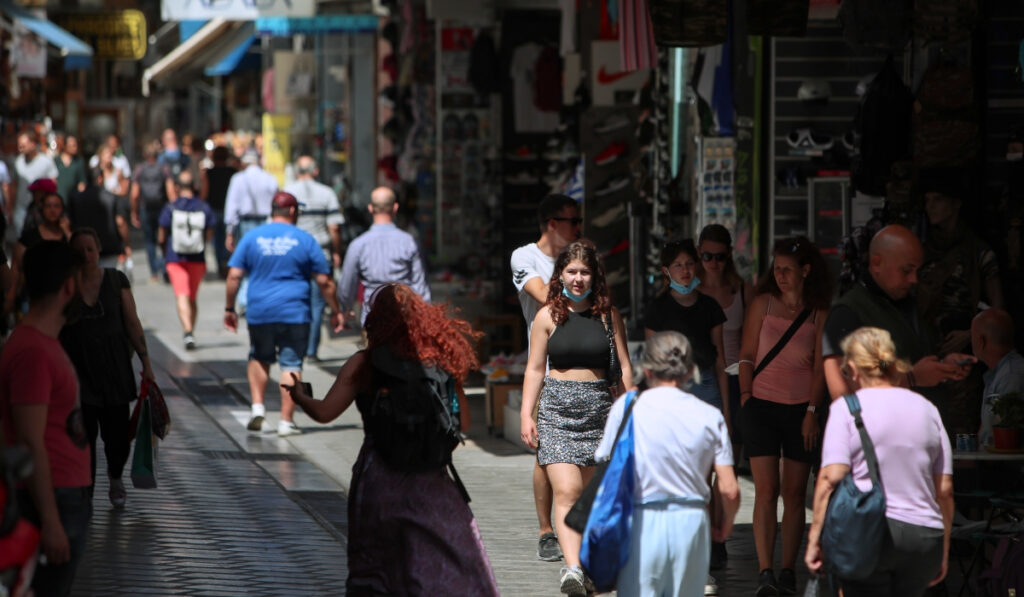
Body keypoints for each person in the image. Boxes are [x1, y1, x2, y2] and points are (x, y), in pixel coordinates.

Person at [284, 283, 499, 595]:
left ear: (376, 322)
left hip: (378, 478)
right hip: (431, 481)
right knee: (438, 562)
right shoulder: (440, 363)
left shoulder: (364, 363)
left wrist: (301, 397)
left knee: (376, 566)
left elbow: (324, 413)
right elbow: (463, 422)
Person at [518, 240, 633, 596]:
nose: (578, 279)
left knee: (588, 496)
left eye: (584, 272)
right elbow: (535, 369)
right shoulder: (546, 317)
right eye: (571, 271)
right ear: (560, 275)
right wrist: (526, 414)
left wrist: (631, 411)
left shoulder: (608, 316)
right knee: (566, 490)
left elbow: (625, 367)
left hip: (599, 411)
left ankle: (586, 561)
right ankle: (572, 569)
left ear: (594, 275)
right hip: (557, 410)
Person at [806, 327, 954, 597]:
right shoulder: (928, 409)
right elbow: (944, 490)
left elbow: (829, 478)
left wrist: (815, 538)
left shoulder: (845, 409)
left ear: (852, 368)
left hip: (869, 535)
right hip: (923, 539)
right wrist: (943, 550)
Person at [597, 331, 740, 597]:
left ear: (647, 369)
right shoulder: (710, 416)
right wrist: (725, 525)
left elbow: (605, 467)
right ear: (689, 372)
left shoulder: (627, 408)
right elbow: (730, 489)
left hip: (640, 520)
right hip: (692, 521)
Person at [736, 236, 830, 597]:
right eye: (776, 269)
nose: (780, 275)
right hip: (760, 406)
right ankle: (765, 571)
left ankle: (788, 569)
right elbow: (746, 354)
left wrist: (811, 411)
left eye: (787, 269)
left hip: (800, 410)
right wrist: (746, 397)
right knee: (766, 490)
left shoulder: (819, 309)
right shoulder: (762, 303)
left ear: (806, 271)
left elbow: (821, 366)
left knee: (793, 493)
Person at [0, 241, 91, 596]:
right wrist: (51, 522)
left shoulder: (40, 344)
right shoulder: (33, 351)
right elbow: (29, 440)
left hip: (64, 495)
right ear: (69, 285)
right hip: (52, 499)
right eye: (83, 280)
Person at [642, 238, 730, 595]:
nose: (686, 270)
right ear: (666, 271)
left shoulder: (709, 306)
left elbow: (721, 357)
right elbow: (651, 358)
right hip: (669, 391)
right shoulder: (657, 308)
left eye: (689, 264)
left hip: (706, 385)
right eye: (678, 265)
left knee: (706, 475)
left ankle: (709, 545)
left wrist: (725, 404)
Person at [224, 191, 343, 436]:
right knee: (291, 363)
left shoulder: (252, 237)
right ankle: (286, 422)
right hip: (295, 312)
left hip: (260, 311)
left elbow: (234, 275)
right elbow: (324, 281)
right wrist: (337, 310)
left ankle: (258, 408)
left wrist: (229, 308)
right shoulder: (305, 239)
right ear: (292, 211)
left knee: (259, 356)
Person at [822, 225, 976, 408]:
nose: (914, 279)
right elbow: (843, 396)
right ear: (877, 263)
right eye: (906, 270)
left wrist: (942, 366)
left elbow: (913, 357)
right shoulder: (847, 313)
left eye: (916, 271)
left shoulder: (906, 303)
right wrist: (912, 377)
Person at [59, 228, 154, 509]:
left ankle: (115, 477)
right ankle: (85, 491)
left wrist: (146, 363)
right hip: (79, 372)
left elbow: (133, 323)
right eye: (80, 250)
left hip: (114, 369)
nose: (86, 255)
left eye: (90, 249)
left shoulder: (115, 280)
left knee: (118, 437)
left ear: (99, 250)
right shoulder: (67, 286)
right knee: (84, 436)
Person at [509, 193, 580, 562]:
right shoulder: (525, 256)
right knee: (545, 454)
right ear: (552, 223)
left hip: (587, 365)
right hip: (548, 365)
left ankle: (578, 525)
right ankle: (545, 529)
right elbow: (542, 294)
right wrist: (581, 277)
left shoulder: (578, 255)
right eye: (573, 221)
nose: (579, 227)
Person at [916, 176, 1004, 435]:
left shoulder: (978, 252)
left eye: (938, 200)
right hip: (926, 349)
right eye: (927, 200)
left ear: (955, 204)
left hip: (964, 353)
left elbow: (998, 311)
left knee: (961, 429)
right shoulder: (922, 252)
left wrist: (969, 334)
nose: (930, 206)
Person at [697, 224, 754, 467]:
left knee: (729, 459)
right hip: (703, 377)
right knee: (702, 460)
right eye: (707, 256)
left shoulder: (743, 291)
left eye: (719, 257)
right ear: (699, 253)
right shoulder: (691, 292)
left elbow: (751, 342)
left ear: (729, 254)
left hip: (734, 378)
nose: (713, 263)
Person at [338, 186, 431, 326]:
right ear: (395, 208)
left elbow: (346, 286)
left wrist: (345, 309)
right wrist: (427, 317)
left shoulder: (358, 245)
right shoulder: (410, 242)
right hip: (404, 316)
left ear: (370, 208)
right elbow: (420, 284)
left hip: (372, 316)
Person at [284, 156, 344, 361]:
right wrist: (337, 251)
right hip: (321, 252)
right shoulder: (326, 193)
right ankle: (311, 351)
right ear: (315, 171)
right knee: (318, 304)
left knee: (297, 300)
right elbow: (334, 227)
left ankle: (296, 348)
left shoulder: (288, 192)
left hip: (294, 254)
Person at [158, 171, 216, 350]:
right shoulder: (204, 207)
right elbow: (209, 234)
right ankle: (191, 330)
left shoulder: (170, 207)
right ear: (194, 187)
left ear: (177, 187)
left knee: (181, 294)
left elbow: (161, 235)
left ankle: (188, 331)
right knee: (192, 297)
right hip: (197, 258)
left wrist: (164, 252)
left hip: (175, 258)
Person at [223, 149, 278, 313]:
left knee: (245, 261)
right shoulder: (269, 178)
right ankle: (264, 297)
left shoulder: (238, 179)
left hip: (245, 223)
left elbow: (231, 206)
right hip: (266, 222)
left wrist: (229, 231)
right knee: (265, 259)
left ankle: (246, 300)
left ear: (244, 162)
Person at [5, 191, 69, 315]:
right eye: (48, 206)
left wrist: (67, 232)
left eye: (56, 206)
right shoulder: (29, 238)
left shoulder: (68, 238)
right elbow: (15, 270)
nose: (52, 210)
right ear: (41, 210)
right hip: (32, 299)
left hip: (62, 299)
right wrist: (10, 298)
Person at [971, 308, 1024, 447]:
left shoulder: (1011, 375)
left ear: (981, 341)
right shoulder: (997, 374)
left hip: (1003, 465)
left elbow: (1004, 438)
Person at [67, 169, 128, 268]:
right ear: (100, 178)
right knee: (108, 279)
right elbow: (120, 222)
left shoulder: (75, 199)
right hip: (109, 249)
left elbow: (69, 225)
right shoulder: (111, 198)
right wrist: (126, 244)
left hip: (83, 251)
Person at [131, 141, 172, 282]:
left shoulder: (139, 169)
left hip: (145, 209)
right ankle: (166, 269)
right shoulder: (164, 168)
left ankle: (154, 273)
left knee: (150, 241)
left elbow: (135, 194)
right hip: (162, 209)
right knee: (164, 239)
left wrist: (134, 212)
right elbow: (171, 191)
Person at [11, 133, 58, 239]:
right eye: (19, 146)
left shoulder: (46, 161)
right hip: (21, 208)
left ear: (32, 144)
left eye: (23, 145)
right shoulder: (18, 162)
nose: (20, 149)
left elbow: (53, 185)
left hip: (40, 209)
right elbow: (13, 186)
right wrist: (10, 207)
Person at [200, 145, 236, 276]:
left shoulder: (209, 172)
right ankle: (226, 264)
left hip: (214, 209)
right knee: (229, 238)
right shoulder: (233, 172)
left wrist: (201, 205)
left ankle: (220, 264)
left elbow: (204, 193)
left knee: (217, 241)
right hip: (229, 210)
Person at [158, 129, 190, 202]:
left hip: (165, 197)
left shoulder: (161, 156)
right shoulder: (184, 155)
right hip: (181, 196)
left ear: (164, 141)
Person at [54, 135, 87, 203]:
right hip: (58, 197)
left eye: (76, 145)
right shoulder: (56, 160)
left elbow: (82, 180)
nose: (75, 148)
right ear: (65, 146)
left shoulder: (79, 161)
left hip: (73, 199)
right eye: (72, 146)